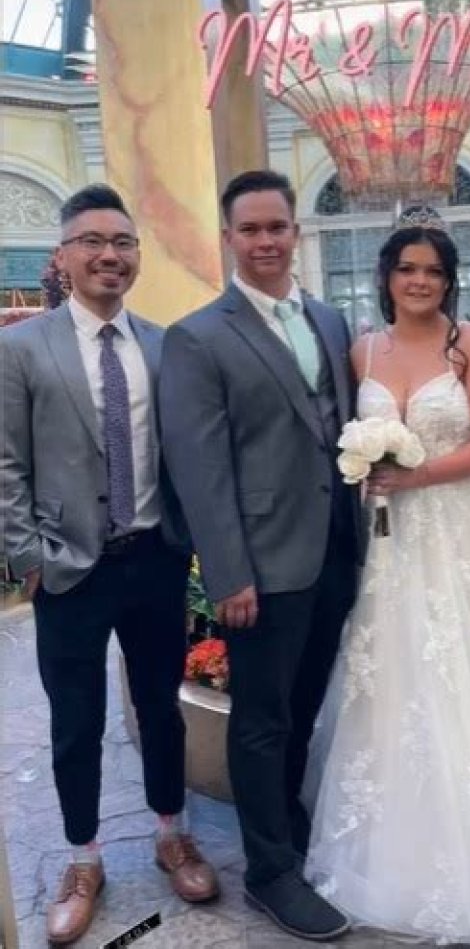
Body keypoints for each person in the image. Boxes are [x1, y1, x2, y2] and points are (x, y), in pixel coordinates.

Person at [303, 206, 470, 946]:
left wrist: (414, 475)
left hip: (466, 533)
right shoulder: (363, 350)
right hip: (394, 543)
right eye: (407, 269)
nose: (419, 281)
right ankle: (402, 839)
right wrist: (369, 471)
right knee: (398, 675)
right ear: (387, 276)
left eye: (433, 271)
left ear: (449, 282)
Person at [0, 184, 219, 946]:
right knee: (76, 720)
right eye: (92, 241)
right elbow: (6, 462)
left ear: (137, 256)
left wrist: (189, 541)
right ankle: (83, 857)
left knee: (161, 706)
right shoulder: (23, 347)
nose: (109, 255)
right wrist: (27, 556)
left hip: (154, 557)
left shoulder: (163, 345)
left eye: (122, 242)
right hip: (69, 569)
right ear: (62, 256)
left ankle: (171, 833)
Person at [158, 170, 365, 942]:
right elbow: (199, 468)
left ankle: (288, 821)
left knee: (303, 706)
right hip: (262, 565)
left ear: (296, 232)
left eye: (277, 226)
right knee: (259, 719)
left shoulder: (329, 320)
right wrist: (228, 573)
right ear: (229, 238)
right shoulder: (198, 336)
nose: (266, 240)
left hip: (334, 552)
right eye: (250, 229)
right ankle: (270, 871)